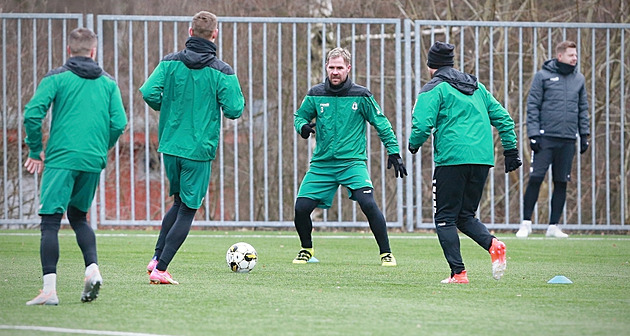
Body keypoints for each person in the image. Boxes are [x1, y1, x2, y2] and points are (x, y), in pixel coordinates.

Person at [23, 27, 128, 305]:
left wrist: (35, 149)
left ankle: (49, 291)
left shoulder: (57, 78)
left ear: (69, 50)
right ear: (94, 52)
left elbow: (33, 113)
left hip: (61, 159)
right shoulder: (108, 83)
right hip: (92, 160)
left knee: (50, 222)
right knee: (79, 217)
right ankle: (92, 270)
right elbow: (119, 123)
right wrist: (100, 147)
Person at [140, 11, 245, 285]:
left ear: (189, 32)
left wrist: (170, 109)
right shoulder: (222, 70)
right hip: (198, 150)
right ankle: (161, 268)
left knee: (178, 202)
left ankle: (155, 257)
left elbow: (148, 92)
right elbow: (234, 109)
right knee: (188, 208)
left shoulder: (169, 62)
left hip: (170, 146)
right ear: (215, 34)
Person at [408, 41, 521, 283]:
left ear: (431, 66)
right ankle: (493, 245)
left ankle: (458, 273)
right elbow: (504, 118)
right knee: (465, 216)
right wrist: (510, 150)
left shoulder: (434, 88)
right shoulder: (476, 87)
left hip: (452, 159)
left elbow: (422, 123)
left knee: (445, 218)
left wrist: (414, 143)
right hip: (481, 159)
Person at [293, 47, 407, 267]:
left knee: (368, 203)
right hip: (322, 164)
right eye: (331, 67)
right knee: (301, 208)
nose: (335, 72)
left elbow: (381, 123)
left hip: (352, 163)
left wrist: (393, 151)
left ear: (348, 68)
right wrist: (303, 127)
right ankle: (306, 249)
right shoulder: (316, 94)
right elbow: (300, 116)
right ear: (326, 67)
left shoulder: (361, 95)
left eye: (339, 68)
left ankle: (386, 253)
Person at [517, 40, 590, 239]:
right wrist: (533, 134)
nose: (575, 58)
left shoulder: (579, 80)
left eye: (576, 55)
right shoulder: (542, 76)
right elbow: (533, 106)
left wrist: (584, 135)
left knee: (561, 181)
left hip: (567, 139)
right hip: (544, 138)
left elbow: (583, 109)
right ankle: (526, 223)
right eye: (571, 55)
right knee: (535, 178)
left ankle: (553, 226)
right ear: (560, 56)